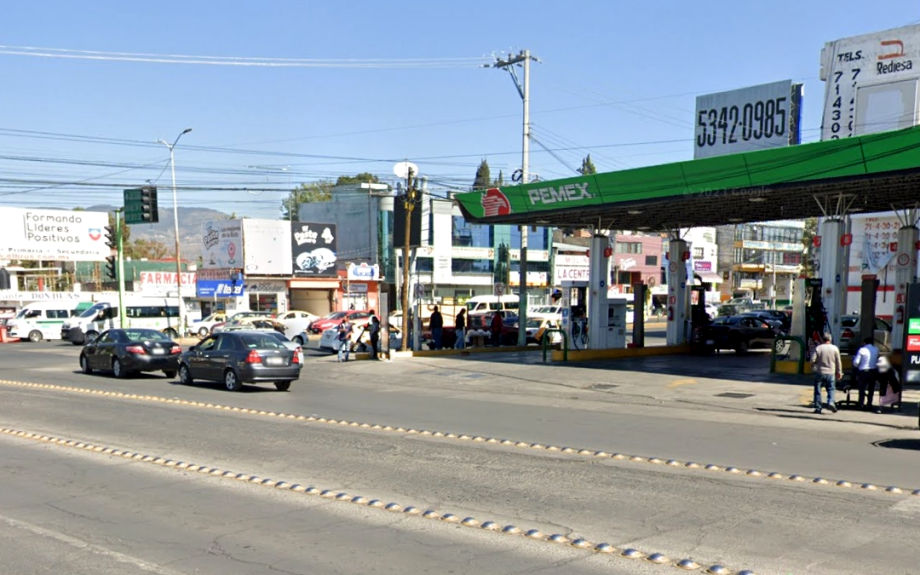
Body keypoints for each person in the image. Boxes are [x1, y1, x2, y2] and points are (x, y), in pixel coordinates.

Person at [810, 333, 842, 414]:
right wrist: (839, 372)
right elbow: (838, 362)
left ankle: (818, 408)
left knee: (818, 390)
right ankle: (830, 402)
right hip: (831, 372)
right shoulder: (835, 348)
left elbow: (812, 360)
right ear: (830, 339)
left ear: (822, 339)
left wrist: (813, 366)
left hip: (820, 372)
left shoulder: (819, 348)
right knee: (831, 389)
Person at [853, 336, 880, 412]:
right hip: (873, 371)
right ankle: (869, 404)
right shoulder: (876, 349)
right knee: (871, 389)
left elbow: (856, 362)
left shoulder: (862, 350)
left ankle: (861, 404)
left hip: (863, 372)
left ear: (864, 343)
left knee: (862, 389)